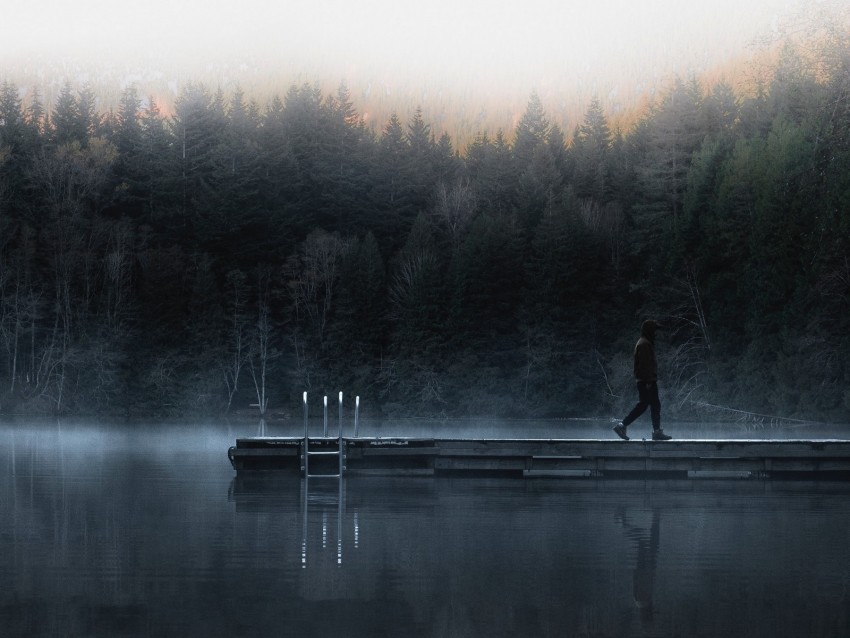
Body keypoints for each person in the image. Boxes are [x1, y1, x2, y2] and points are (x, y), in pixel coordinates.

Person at [613, 319, 672, 441]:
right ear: (649, 331)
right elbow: (645, 365)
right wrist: (649, 381)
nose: (656, 333)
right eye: (654, 330)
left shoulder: (645, 342)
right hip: (647, 381)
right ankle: (623, 425)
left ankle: (655, 431)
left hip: (646, 380)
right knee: (645, 405)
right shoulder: (644, 344)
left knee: (651, 405)